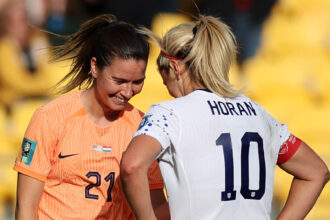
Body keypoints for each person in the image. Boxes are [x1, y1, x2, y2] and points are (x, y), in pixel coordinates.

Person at [120, 14, 330, 220]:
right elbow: (316, 172)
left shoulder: (168, 114)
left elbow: (132, 165)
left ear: (175, 68)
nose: (171, 93)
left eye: (167, 84)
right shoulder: (258, 113)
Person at [14, 14, 169, 220]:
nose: (128, 91)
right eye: (119, 80)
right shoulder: (49, 118)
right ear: (95, 67)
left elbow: (155, 205)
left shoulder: (143, 128)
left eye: (137, 82)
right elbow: (25, 206)